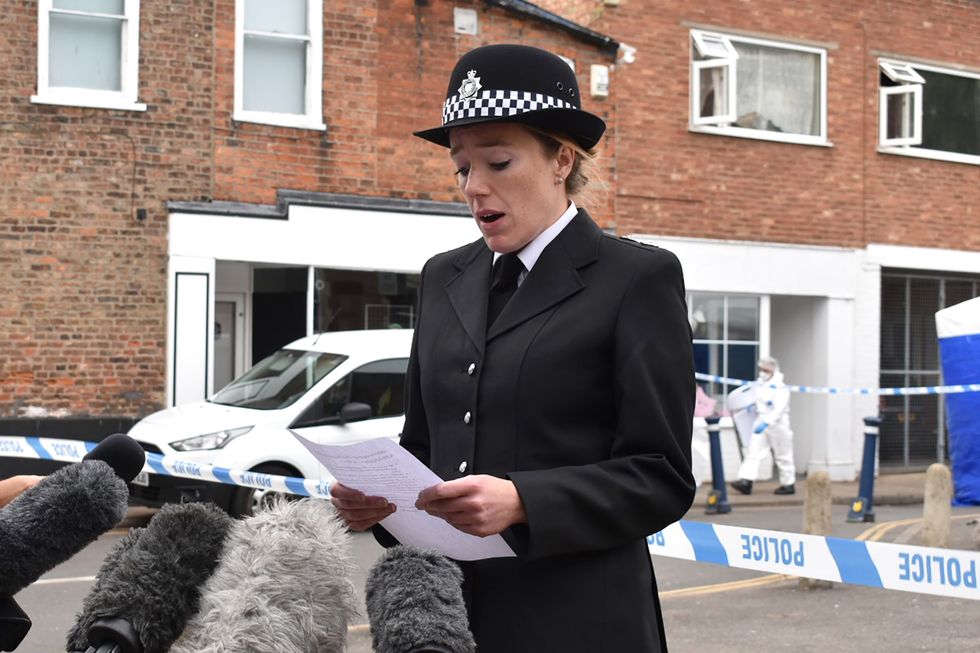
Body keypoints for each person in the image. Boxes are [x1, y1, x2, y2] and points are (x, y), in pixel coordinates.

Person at [331, 44, 695, 652]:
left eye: (498, 161)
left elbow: (660, 477)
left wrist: (526, 500)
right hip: (449, 620)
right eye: (462, 168)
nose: (474, 187)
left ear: (562, 160)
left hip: (581, 622)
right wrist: (381, 503)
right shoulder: (443, 276)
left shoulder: (635, 279)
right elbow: (424, 445)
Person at [730, 356, 796, 495]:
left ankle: (788, 484)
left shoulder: (780, 387)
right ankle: (746, 481)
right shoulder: (759, 384)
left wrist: (768, 421)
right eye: (761, 369)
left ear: (773, 370)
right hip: (760, 421)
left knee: (783, 455)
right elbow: (755, 399)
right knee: (753, 452)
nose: (762, 372)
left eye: (765, 370)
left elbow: (780, 408)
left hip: (778, 424)